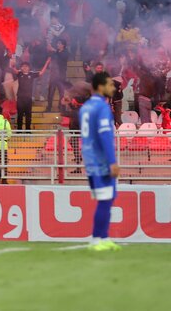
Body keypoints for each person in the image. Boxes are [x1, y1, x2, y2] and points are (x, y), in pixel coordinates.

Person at [81, 72, 121, 252]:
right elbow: (105, 135)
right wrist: (112, 161)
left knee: (106, 198)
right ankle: (97, 239)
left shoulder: (86, 107)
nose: (113, 88)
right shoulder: (103, 107)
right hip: (101, 160)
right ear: (100, 86)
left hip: (90, 158)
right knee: (105, 199)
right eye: (110, 84)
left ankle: (103, 237)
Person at [13, 58, 50, 130]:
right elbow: (13, 69)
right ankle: (19, 130)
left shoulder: (32, 74)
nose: (24, 67)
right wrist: (12, 62)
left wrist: (47, 63)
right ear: (21, 67)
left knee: (28, 115)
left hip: (28, 98)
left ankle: (28, 130)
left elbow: (41, 72)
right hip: (20, 98)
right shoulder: (19, 73)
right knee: (20, 115)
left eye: (26, 66)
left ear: (29, 68)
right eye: (23, 66)